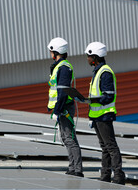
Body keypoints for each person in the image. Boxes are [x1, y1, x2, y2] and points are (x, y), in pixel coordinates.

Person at [83, 41, 125, 184]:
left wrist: (91, 101)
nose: (87, 59)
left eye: (89, 56)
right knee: (105, 148)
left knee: (111, 147)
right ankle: (105, 176)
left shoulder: (105, 72)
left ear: (95, 57)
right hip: (97, 116)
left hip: (104, 116)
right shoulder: (98, 71)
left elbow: (108, 96)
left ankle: (118, 177)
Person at [47, 37, 84, 177]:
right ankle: (73, 168)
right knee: (65, 138)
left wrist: (57, 110)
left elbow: (62, 91)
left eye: (51, 51)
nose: (50, 54)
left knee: (69, 138)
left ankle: (77, 170)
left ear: (55, 52)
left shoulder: (63, 67)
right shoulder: (60, 66)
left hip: (64, 107)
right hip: (62, 107)